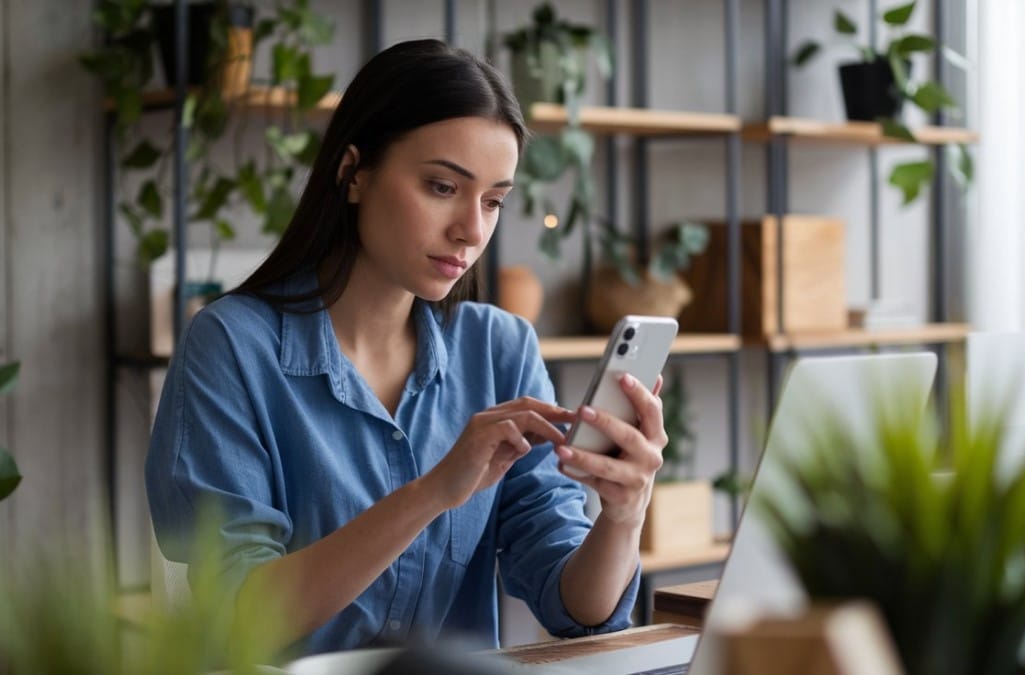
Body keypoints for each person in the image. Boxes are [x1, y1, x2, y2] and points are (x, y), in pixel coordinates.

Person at [146, 38, 668, 656]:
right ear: (354, 173)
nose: (472, 230)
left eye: (493, 200)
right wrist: (432, 493)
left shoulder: (499, 347)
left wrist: (623, 513)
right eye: (443, 187)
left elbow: (576, 607)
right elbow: (242, 612)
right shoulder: (232, 346)